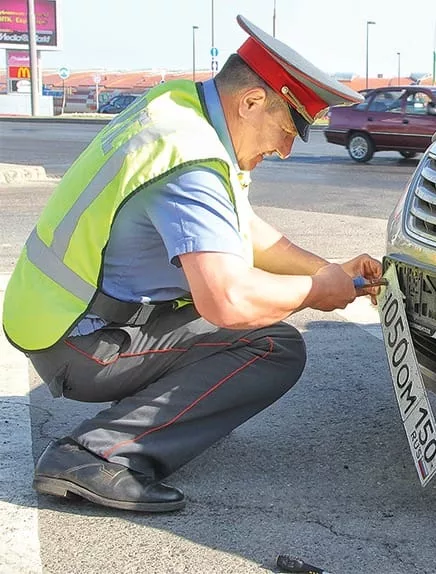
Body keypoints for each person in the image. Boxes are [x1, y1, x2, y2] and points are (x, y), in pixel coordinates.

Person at [1, 15, 382, 513]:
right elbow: (229, 299)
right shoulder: (191, 161)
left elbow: (243, 232)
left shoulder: (181, 111)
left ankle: (168, 416)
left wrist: (327, 269)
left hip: (65, 317)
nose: (286, 150)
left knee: (246, 312)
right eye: (289, 129)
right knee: (270, 344)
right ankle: (93, 454)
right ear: (250, 102)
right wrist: (315, 292)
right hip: (81, 342)